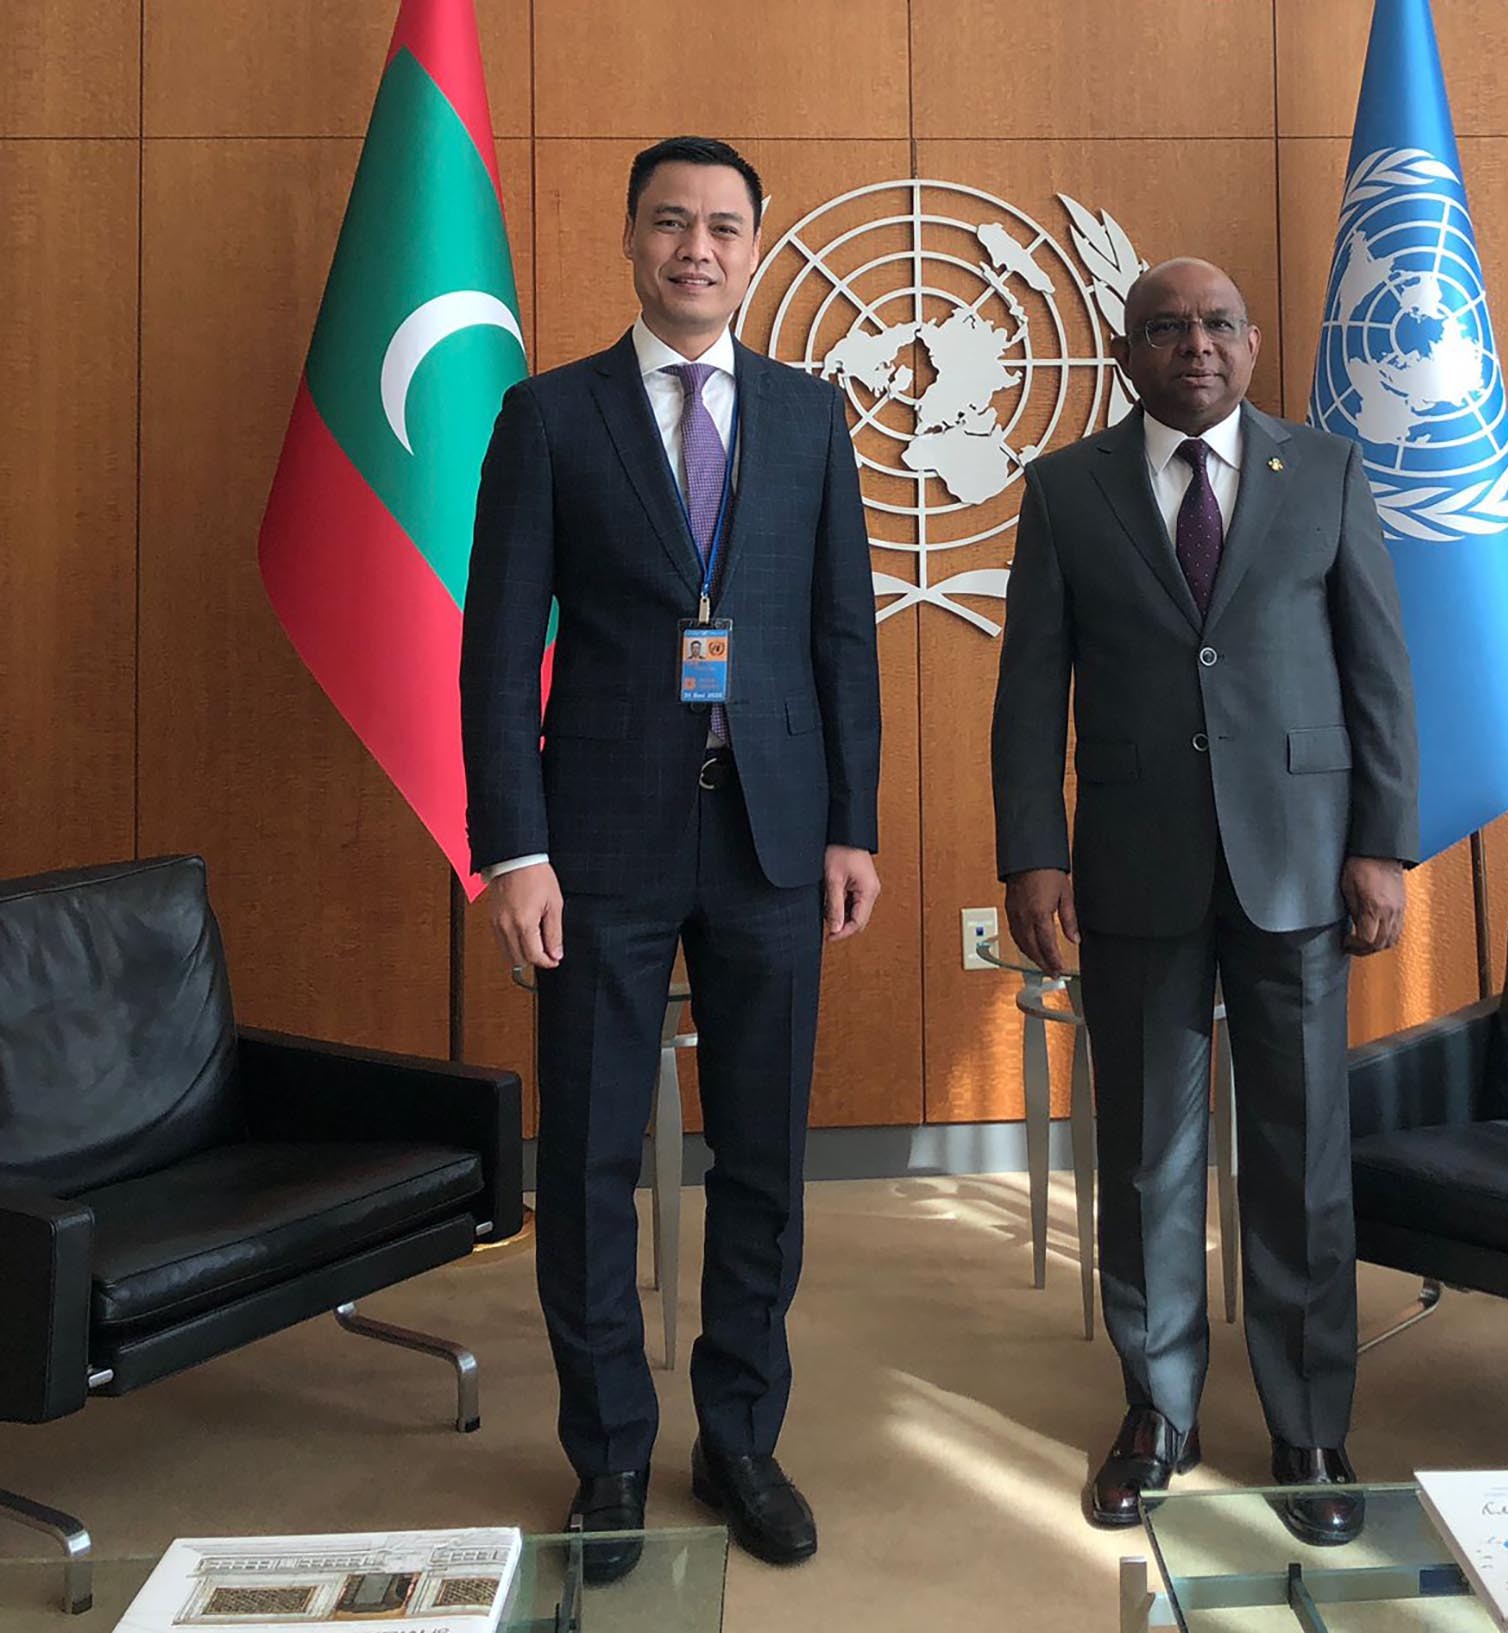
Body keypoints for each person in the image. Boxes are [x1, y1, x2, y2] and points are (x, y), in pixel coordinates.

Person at [461, 136, 882, 1579]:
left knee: (761, 1152)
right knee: (588, 1159)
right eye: (669, 222)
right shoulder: (548, 416)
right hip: (596, 841)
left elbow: (841, 636)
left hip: (773, 836)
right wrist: (513, 847)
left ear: (756, 247)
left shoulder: (811, 415)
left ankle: (741, 1438)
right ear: (631, 240)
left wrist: (851, 823)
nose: (696, 248)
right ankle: (610, 1455)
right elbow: (497, 647)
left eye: (722, 226)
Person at [990, 259, 1417, 1543]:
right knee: (1147, 1157)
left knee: (1301, 1159)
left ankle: (1308, 1422)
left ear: (1251, 342)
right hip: (1134, 865)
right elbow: (1030, 690)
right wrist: (1031, 853)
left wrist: (1383, 843)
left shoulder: (1324, 472)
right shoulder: (1066, 489)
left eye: (1219, 324)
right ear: (1130, 353)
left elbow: (1378, 672)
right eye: (1168, 327)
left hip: (1301, 863)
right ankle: (1157, 1411)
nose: (1197, 345)